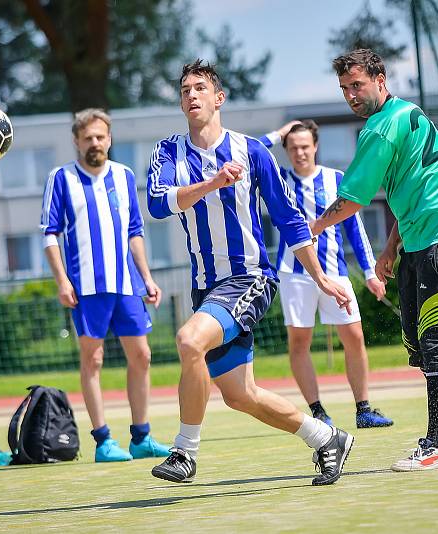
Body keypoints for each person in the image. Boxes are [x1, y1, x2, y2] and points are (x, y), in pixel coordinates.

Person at [146, 59, 355, 486]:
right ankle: (327, 437)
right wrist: (211, 184)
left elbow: (289, 219)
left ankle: (185, 453)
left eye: (200, 88)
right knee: (241, 396)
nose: (191, 95)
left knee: (189, 340)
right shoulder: (168, 151)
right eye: (185, 89)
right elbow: (156, 203)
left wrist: (319, 277)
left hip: (250, 279)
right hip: (206, 288)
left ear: (218, 98)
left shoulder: (251, 150)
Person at [311, 49, 438, 471]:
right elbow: (413, 188)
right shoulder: (406, 114)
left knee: (437, 338)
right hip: (422, 238)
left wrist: (310, 230)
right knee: (417, 337)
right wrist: (392, 246)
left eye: (357, 85)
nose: (351, 95)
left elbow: (352, 199)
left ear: (380, 79)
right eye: (344, 89)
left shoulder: (381, 128)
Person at [40, 108, 170, 463]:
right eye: (87, 138)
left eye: (100, 136)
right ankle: (103, 442)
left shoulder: (124, 176)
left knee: (142, 356)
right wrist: (62, 280)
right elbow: (50, 234)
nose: (95, 143)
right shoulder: (61, 178)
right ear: (76, 142)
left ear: (109, 139)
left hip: (126, 285)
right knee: (93, 359)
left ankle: (141, 437)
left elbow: (134, 232)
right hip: (86, 287)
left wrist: (147, 277)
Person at [260, 120, 394, 429]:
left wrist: (370, 272)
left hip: (336, 272)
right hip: (294, 275)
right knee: (299, 342)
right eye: (292, 148)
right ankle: (318, 412)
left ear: (316, 146)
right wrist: (277, 132)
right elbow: (248, 154)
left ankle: (363, 409)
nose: (300, 153)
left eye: (305, 146)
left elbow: (355, 230)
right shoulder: (278, 180)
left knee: (355, 336)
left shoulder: (336, 180)